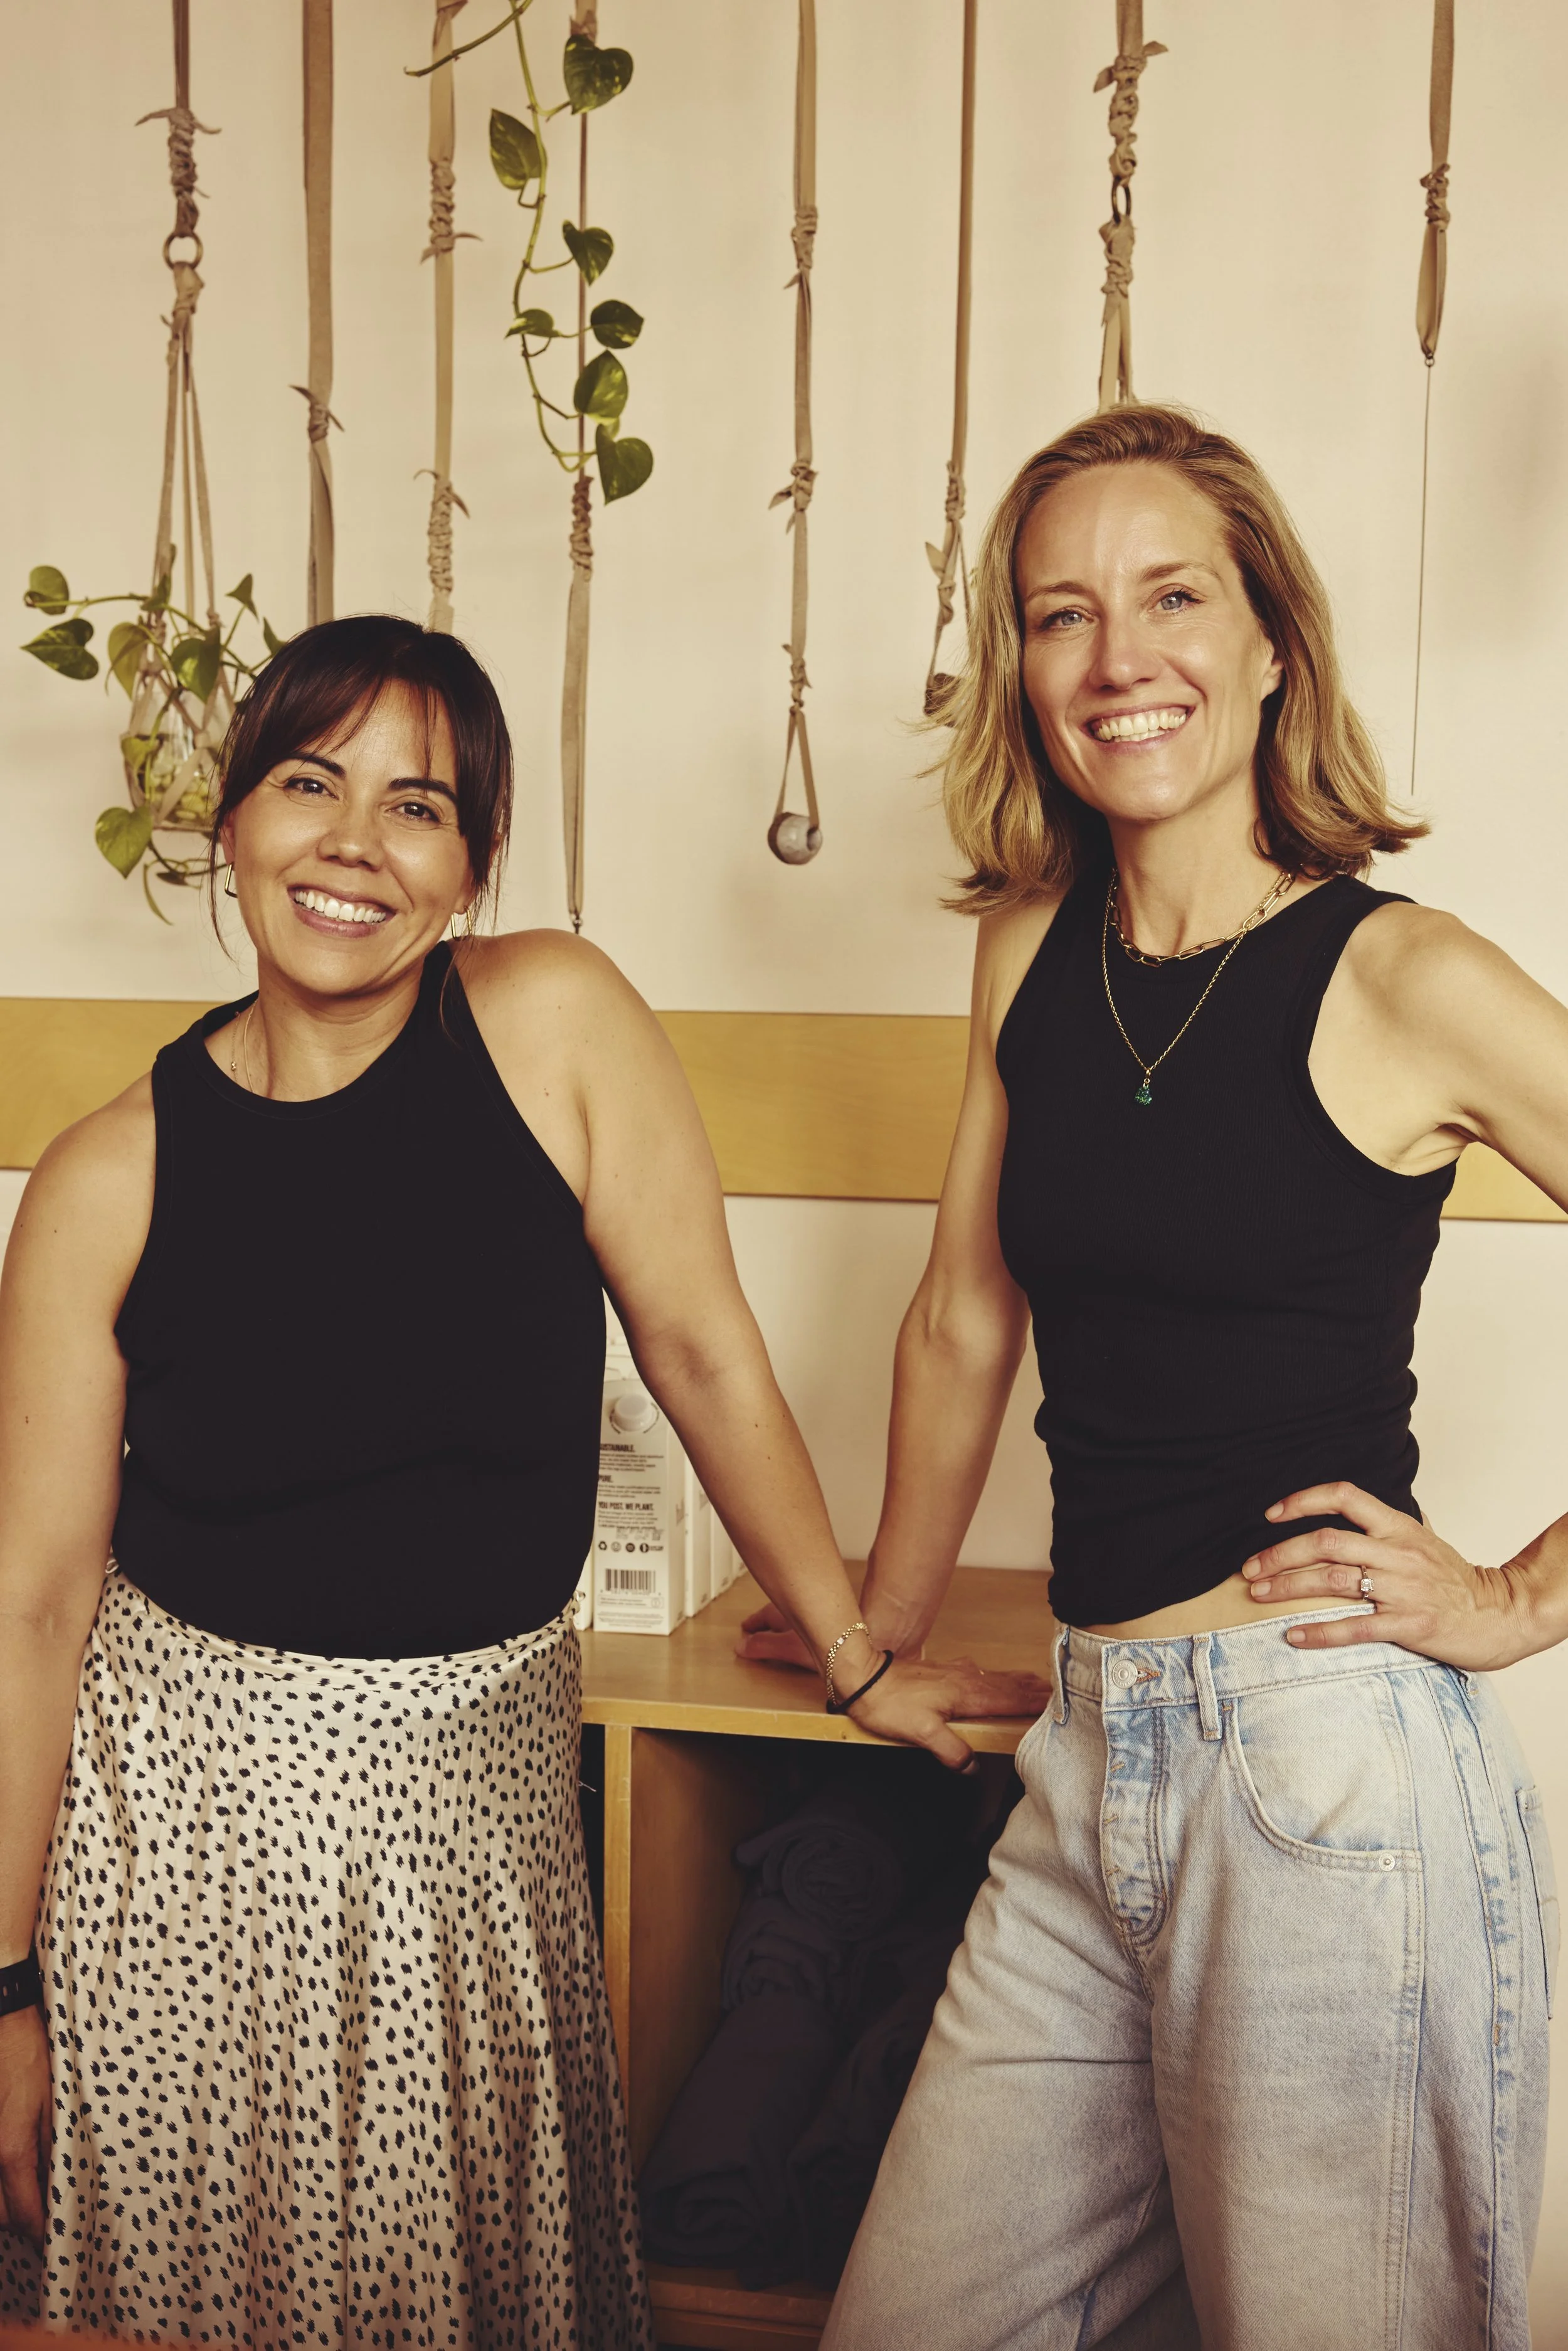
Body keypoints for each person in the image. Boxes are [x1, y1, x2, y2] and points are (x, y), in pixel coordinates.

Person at [0, 616, 1048, 2349]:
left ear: (474, 867)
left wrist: (855, 1649)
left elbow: (704, 1354)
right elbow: (33, 1598)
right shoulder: (110, 1174)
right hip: (179, 1859)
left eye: (415, 806)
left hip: (482, 1833)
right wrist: (8, 1989)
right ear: (235, 820)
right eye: (306, 782)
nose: (351, 843)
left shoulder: (553, 1021)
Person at [743, 405, 1566, 2350]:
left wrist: (1519, 1597)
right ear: (1020, 670)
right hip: (1083, 1747)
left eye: (1171, 596)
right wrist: (877, 1624)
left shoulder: (1403, 974)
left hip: (1317, 1775)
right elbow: (961, 1311)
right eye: (1059, 614)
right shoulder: (1029, 947)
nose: (1119, 659)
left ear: (1271, 638)